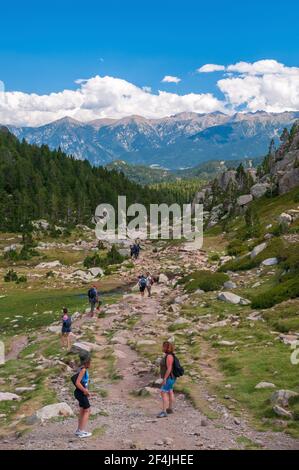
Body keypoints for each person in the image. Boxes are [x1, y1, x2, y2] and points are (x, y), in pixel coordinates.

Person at [74, 355, 92, 438]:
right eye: (90, 361)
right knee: (87, 410)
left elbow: (83, 382)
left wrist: (86, 390)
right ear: (86, 362)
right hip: (81, 392)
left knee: (82, 410)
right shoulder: (83, 370)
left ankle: (78, 430)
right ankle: (81, 431)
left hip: (79, 392)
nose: (91, 363)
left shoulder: (81, 368)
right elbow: (77, 383)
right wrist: (85, 391)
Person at [158, 341, 176, 418]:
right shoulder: (171, 355)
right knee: (170, 391)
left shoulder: (169, 356)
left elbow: (169, 368)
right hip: (172, 377)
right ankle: (170, 408)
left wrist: (165, 378)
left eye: (164, 347)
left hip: (168, 378)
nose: (162, 348)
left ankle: (164, 411)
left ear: (167, 348)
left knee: (163, 392)